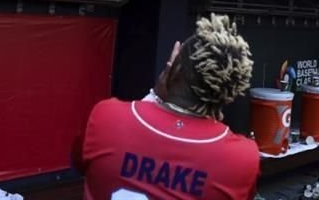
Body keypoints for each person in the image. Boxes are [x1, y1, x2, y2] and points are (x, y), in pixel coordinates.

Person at [78, 14, 258, 200]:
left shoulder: (105, 116)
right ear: (231, 91)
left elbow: (81, 164)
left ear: (175, 69)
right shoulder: (242, 158)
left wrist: (154, 95)